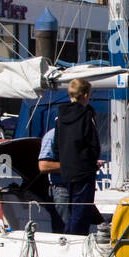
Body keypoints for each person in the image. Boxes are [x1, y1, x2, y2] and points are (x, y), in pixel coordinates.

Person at [55, 78, 102, 235]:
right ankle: (74, 240)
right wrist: (92, 162)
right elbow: (93, 145)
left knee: (72, 210)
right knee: (81, 212)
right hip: (83, 170)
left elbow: (56, 147)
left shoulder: (60, 116)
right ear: (86, 95)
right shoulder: (87, 115)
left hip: (66, 171)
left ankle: (68, 238)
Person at [36, 127, 71, 233]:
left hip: (81, 187)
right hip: (62, 188)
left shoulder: (79, 133)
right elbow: (44, 166)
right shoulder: (52, 135)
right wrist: (74, 166)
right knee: (63, 230)